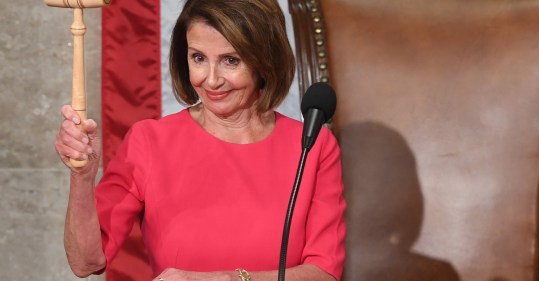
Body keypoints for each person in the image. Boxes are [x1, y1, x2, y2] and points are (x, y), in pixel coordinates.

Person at [53, 0, 346, 280]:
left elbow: (324, 273)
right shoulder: (150, 141)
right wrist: (82, 175)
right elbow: (86, 262)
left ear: (265, 61)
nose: (211, 79)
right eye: (199, 58)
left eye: (231, 61)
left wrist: (232, 279)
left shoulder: (312, 145)